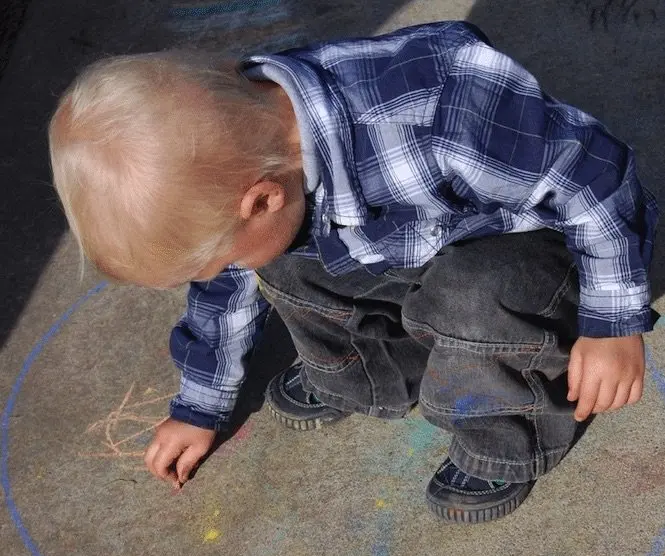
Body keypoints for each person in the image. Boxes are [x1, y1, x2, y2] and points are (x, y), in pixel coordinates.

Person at [49, 21, 658, 523]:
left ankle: (503, 437)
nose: (223, 268)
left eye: (223, 253)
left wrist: (611, 324)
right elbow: (221, 290)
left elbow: (596, 180)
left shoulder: (440, 119)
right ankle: (370, 374)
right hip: (408, 241)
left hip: (531, 245)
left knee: (471, 298)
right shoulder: (250, 147)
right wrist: (200, 405)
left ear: (262, 200)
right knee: (276, 265)